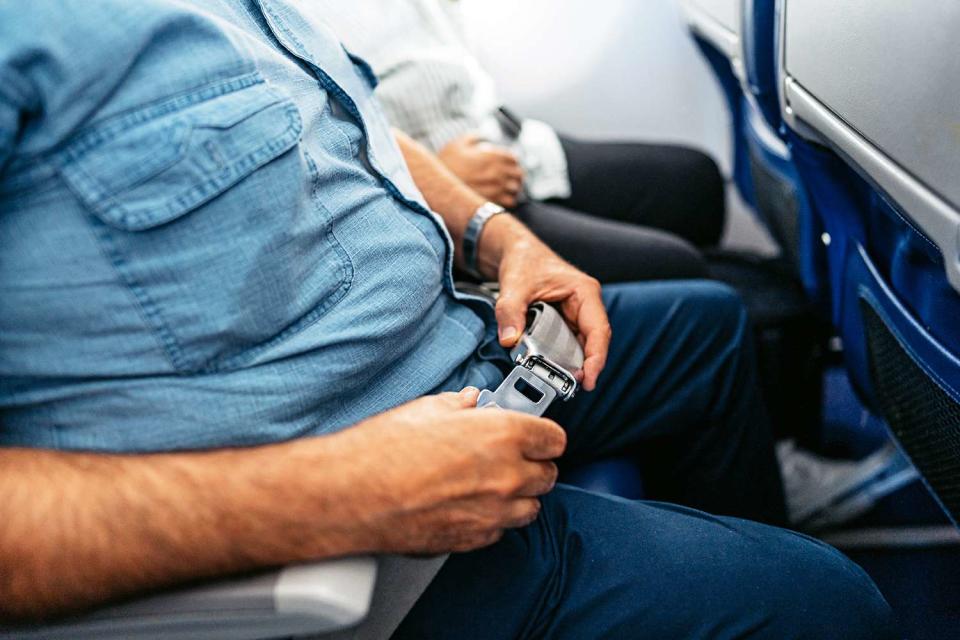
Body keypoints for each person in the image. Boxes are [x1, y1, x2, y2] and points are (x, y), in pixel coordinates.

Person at [0, 2, 895, 638]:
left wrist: (497, 235)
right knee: (829, 606)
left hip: (461, 357)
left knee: (705, 328)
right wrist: (339, 494)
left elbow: (348, 127)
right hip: (343, 535)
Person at [317, 0, 726, 283]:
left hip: (504, 143)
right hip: (446, 189)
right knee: (679, 266)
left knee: (697, 182)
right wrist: (433, 180)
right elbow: (324, 142)